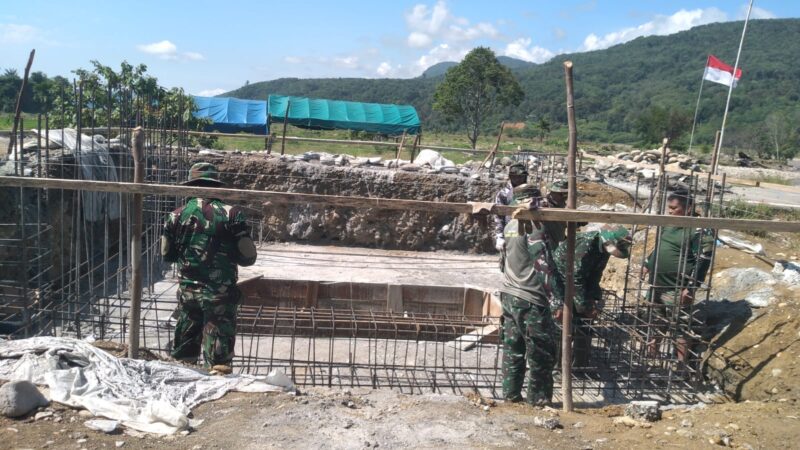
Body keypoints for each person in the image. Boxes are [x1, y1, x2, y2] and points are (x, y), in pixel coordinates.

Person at [161, 162, 257, 372]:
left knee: (183, 359)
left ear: (192, 185)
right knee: (219, 363)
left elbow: (167, 255)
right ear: (216, 186)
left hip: (188, 293)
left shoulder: (175, 215)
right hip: (219, 296)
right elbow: (249, 257)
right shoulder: (232, 214)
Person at [499, 183, 559, 406]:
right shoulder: (533, 225)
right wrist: (556, 301)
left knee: (513, 349)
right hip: (531, 298)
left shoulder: (511, 224)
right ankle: (538, 402)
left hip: (508, 293)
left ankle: (510, 396)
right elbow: (543, 264)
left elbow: (502, 262)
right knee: (541, 354)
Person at [642, 189, 714, 362]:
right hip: (657, 283)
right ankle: (651, 356)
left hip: (676, 287)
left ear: (688, 208)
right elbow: (660, 245)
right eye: (669, 208)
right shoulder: (669, 222)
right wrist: (647, 263)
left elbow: (704, 258)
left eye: (674, 208)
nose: (670, 211)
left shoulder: (698, 229)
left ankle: (680, 366)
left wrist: (691, 287)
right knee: (655, 320)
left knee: (679, 326)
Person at [552, 224, 632, 367]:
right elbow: (575, 278)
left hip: (578, 283)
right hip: (561, 282)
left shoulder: (603, 249)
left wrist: (594, 298)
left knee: (584, 325)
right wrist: (586, 306)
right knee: (565, 323)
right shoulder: (586, 244)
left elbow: (595, 274)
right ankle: (558, 365)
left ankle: (580, 365)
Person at [493, 162, 529, 252]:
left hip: (528, 232)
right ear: (511, 177)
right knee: (510, 258)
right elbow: (498, 217)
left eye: (522, 176)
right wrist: (499, 236)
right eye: (517, 177)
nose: (520, 179)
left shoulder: (531, 192)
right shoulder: (504, 194)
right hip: (510, 231)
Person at [541, 179, 569, 253]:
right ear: (552, 193)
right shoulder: (545, 206)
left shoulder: (561, 205)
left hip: (557, 243)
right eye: (560, 194)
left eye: (566, 194)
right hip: (546, 246)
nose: (564, 197)